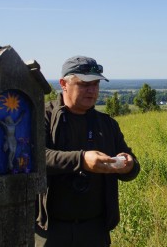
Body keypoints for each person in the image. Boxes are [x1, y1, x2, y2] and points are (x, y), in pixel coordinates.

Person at [35, 56, 140, 247]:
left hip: (94, 230)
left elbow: (132, 167)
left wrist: (128, 164)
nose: (92, 90)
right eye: (84, 84)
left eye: (96, 84)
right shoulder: (43, 117)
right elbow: (35, 157)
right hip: (50, 230)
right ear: (63, 84)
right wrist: (81, 160)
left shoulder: (107, 124)